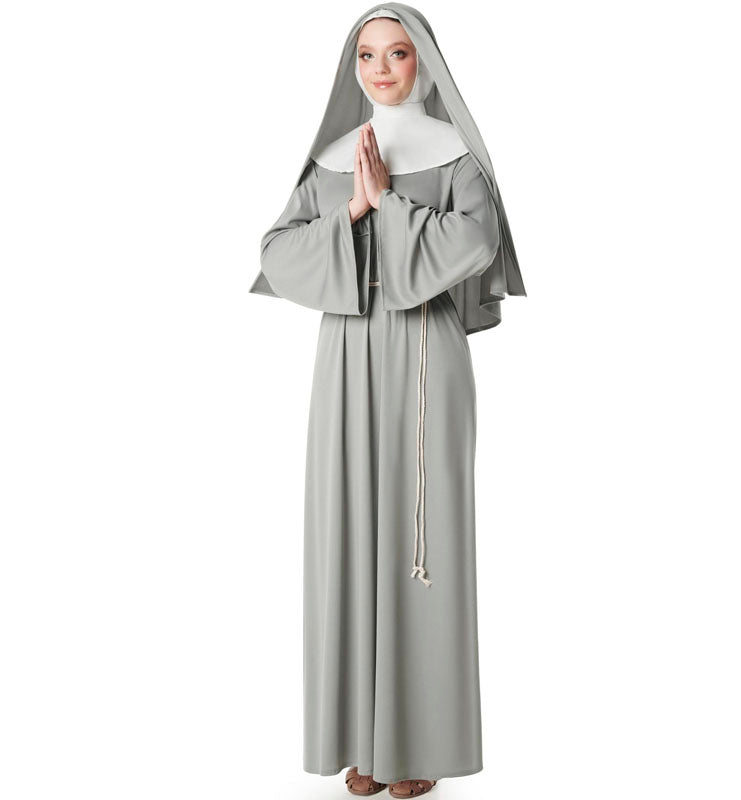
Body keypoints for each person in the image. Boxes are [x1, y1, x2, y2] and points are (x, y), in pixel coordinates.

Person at [249, 4, 526, 796]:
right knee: (349, 535)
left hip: (425, 356)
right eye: (367, 55)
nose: (381, 70)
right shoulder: (335, 159)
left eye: (397, 53)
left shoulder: (454, 155)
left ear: (423, 62)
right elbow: (277, 251)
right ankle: (362, 745)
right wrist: (357, 208)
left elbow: (474, 241)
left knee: (420, 539)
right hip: (344, 358)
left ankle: (416, 751)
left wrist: (393, 206)